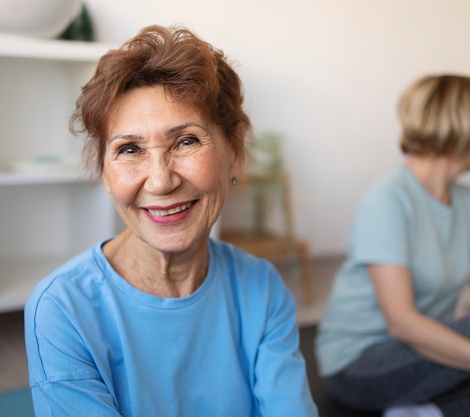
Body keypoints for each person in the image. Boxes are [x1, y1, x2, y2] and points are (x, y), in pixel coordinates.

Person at [24, 24, 318, 417]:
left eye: (186, 141)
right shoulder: (61, 310)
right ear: (105, 172)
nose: (161, 181)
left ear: (236, 151)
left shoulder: (261, 288)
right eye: (129, 149)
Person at [315, 74, 470, 416]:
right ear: (461, 124)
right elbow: (402, 321)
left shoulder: (466, 200)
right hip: (360, 363)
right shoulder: (387, 200)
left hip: (421, 349)